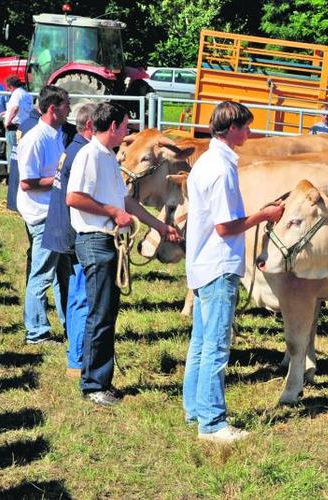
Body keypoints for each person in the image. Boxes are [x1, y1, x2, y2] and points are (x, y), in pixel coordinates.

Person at [66, 102, 180, 406]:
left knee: (106, 312)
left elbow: (127, 202)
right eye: (126, 126)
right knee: (100, 314)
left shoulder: (108, 158)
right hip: (95, 240)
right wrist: (112, 212)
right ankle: (93, 385)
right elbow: (74, 197)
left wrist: (158, 225)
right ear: (113, 126)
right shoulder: (90, 156)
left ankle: (100, 378)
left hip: (107, 242)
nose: (128, 132)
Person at [183, 101, 284, 443]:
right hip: (218, 263)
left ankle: (195, 409)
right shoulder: (221, 168)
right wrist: (264, 215)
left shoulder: (205, 162)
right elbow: (226, 227)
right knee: (215, 345)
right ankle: (212, 422)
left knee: (200, 341)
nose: (250, 133)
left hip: (202, 262)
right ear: (232, 130)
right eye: (246, 127)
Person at [42, 103, 96, 378]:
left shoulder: (72, 148)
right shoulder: (83, 152)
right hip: (73, 232)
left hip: (63, 229)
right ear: (89, 126)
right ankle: (76, 358)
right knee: (80, 296)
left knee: (76, 294)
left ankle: (76, 355)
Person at [16, 86, 71, 345]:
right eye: (66, 105)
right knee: (42, 274)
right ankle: (36, 331)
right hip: (41, 215)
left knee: (62, 273)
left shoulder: (56, 134)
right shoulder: (35, 139)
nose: (69, 110)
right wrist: (60, 180)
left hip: (54, 212)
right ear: (53, 109)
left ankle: (70, 323)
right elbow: (27, 182)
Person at [4, 76, 34, 178]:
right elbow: (24, 110)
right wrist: (6, 112)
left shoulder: (16, 94)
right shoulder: (26, 94)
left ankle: (13, 175)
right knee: (22, 152)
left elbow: (15, 108)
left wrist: (7, 121)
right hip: (24, 126)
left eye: (8, 88)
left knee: (12, 152)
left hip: (14, 126)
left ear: (11, 86)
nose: (8, 90)